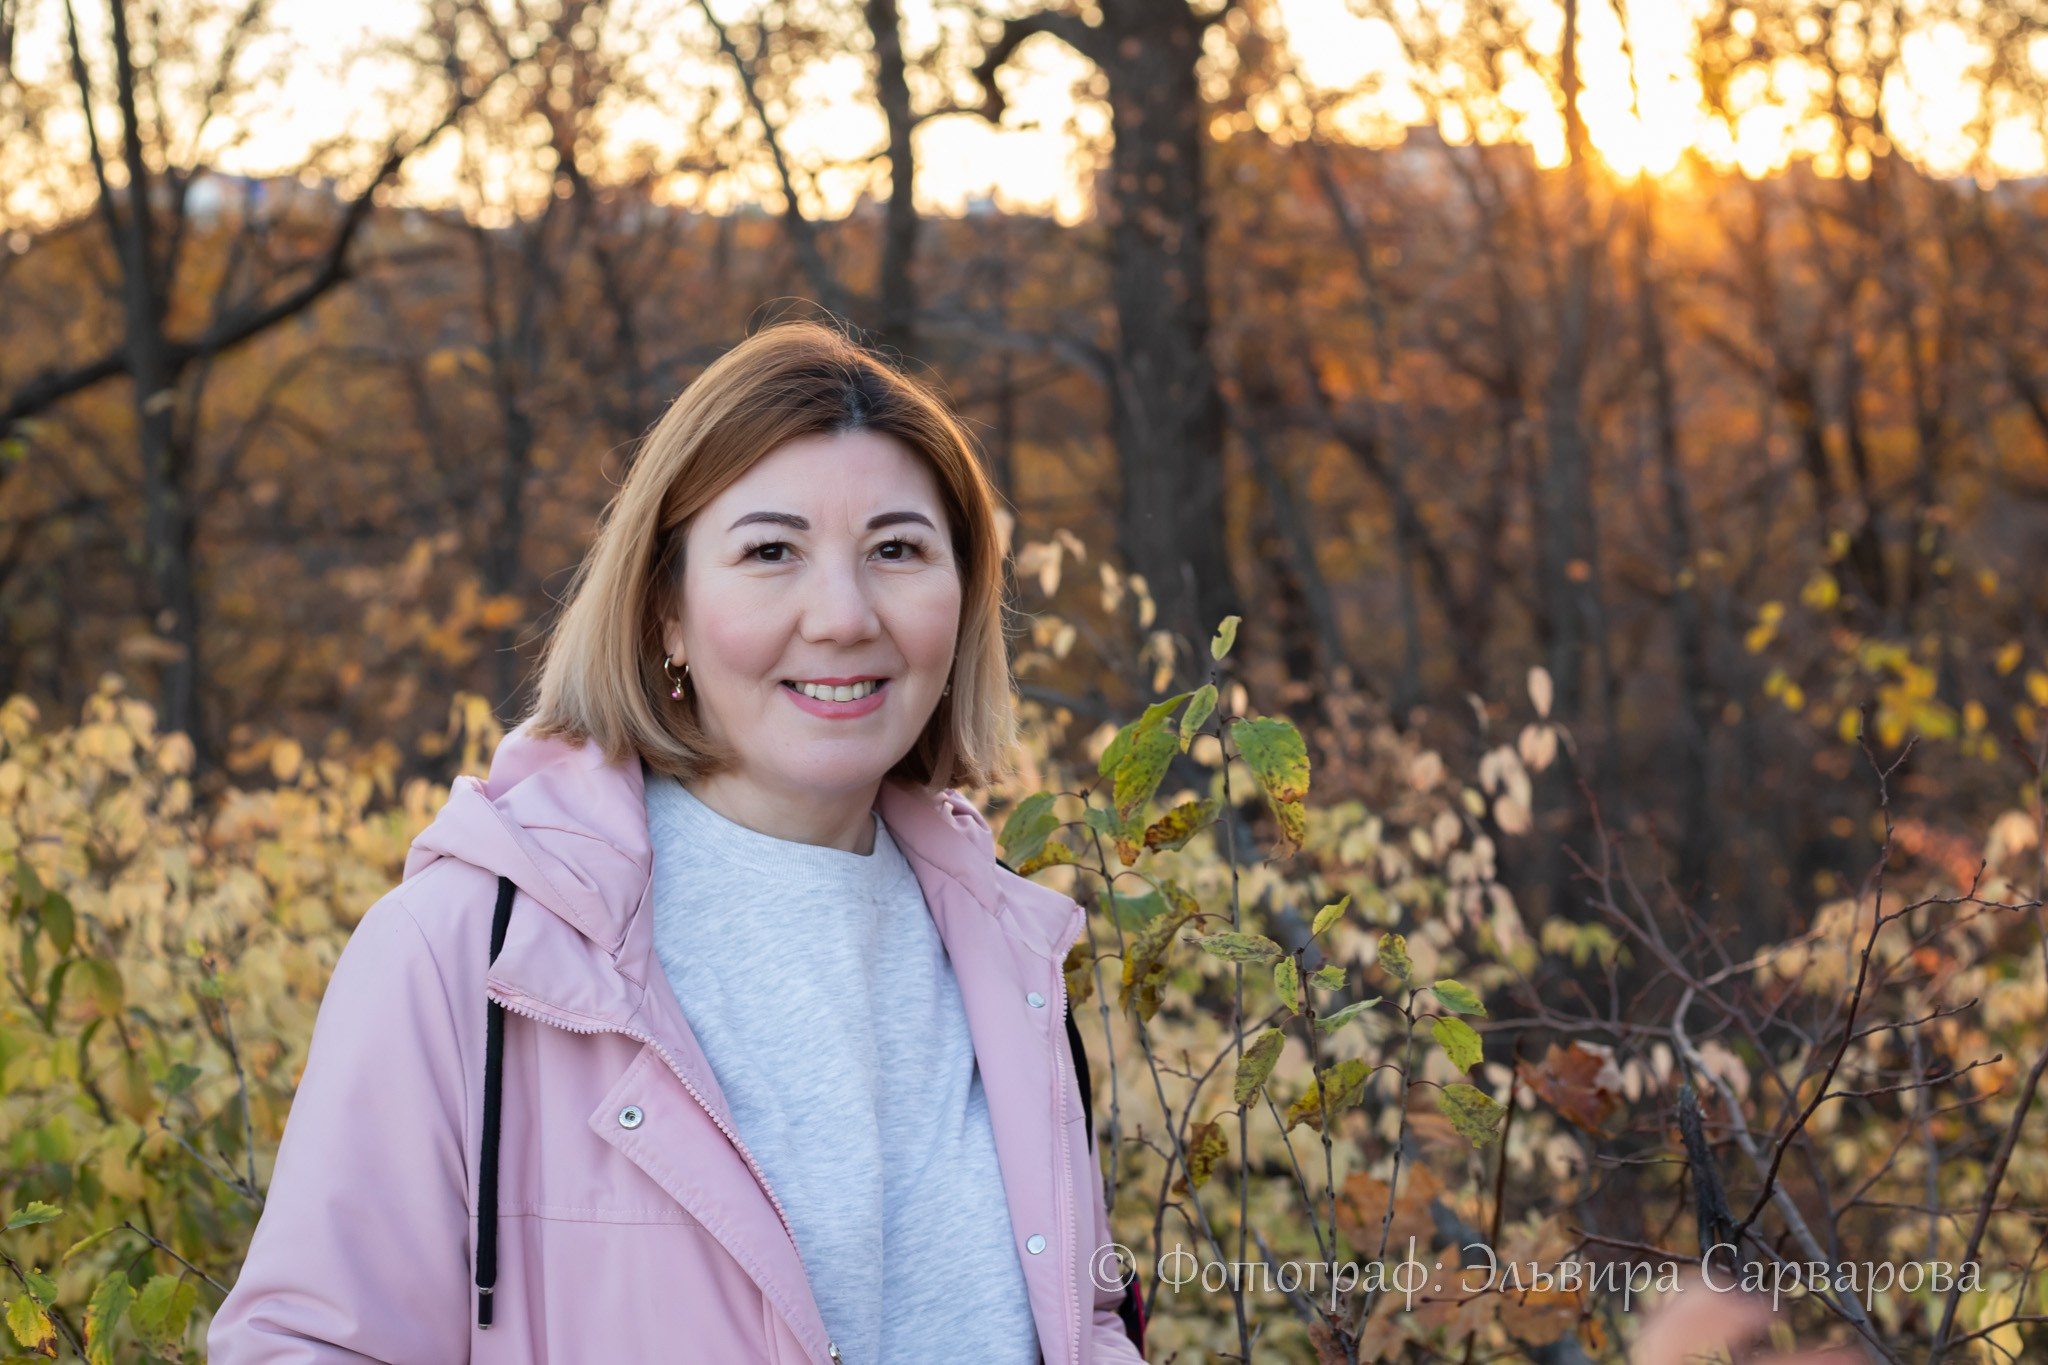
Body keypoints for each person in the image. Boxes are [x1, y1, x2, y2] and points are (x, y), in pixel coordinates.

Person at [208, 321, 1147, 1364]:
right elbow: (309, 1344)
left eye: (896, 550)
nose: (841, 615)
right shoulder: (472, 952)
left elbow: (1082, 1322)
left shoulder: (1009, 953)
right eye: (769, 552)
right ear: (666, 612)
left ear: (962, 597)